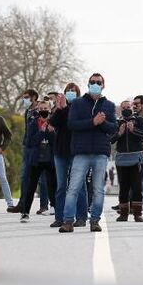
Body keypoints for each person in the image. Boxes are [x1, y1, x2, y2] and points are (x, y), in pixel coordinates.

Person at [59, 73, 117, 233]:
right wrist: (93, 122)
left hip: (100, 152)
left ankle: (95, 220)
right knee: (73, 188)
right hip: (81, 152)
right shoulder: (78, 103)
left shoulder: (109, 105)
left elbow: (113, 128)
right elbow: (72, 124)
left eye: (98, 82)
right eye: (92, 82)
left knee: (98, 189)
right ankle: (68, 221)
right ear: (88, 84)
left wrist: (102, 122)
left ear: (103, 85)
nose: (95, 84)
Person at [50, 83, 88, 229]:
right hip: (60, 151)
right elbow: (52, 124)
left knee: (78, 185)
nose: (70, 93)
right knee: (60, 186)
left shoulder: (81, 107)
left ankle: (81, 216)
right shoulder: (60, 108)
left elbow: (72, 123)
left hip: (76, 151)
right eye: (68, 91)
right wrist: (59, 109)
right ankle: (60, 217)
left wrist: (64, 108)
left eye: (73, 91)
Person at [15, 99, 57, 222]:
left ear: (50, 109)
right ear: (38, 110)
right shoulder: (33, 123)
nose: (44, 111)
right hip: (36, 159)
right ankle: (25, 212)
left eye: (46, 109)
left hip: (50, 159)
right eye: (41, 109)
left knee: (52, 185)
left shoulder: (54, 122)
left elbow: (57, 142)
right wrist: (41, 132)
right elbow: (29, 142)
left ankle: (55, 208)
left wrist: (52, 132)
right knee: (31, 186)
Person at [111, 99, 143, 222]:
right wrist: (119, 133)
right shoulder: (116, 122)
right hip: (122, 158)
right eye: (123, 107)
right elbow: (110, 139)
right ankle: (123, 214)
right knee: (124, 188)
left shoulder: (139, 120)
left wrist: (134, 130)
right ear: (120, 110)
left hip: (137, 158)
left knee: (137, 186)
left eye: (128, 106)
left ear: (132, 108)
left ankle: (138, 213)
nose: (126, 109)